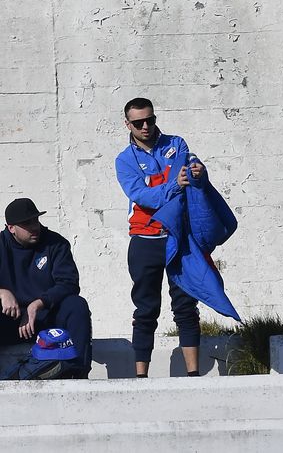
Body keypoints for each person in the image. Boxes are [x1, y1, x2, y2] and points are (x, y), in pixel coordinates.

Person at [114, 96, 202, 377]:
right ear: (127, 124)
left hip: (178, 237)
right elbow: (141, 195)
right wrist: (174, 185)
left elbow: (191, 170)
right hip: (145, 239)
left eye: (150, 120)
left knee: (186, 305)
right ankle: (141, 376)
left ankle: (193, 375)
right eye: (138, 122)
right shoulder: (124, 159)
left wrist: (200, 172)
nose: (145, 126)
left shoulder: (176, 144)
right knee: (145, 309)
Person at [0, 197, 92, 377]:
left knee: (77, 305)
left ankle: (79, 375)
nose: (34, 226)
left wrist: (38, 304)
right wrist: (2, 292)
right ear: (11, 228)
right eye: (27, 223)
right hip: (10, 319)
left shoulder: (56, 243)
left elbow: (69, 283)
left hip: (46, 319)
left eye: (36, 220)